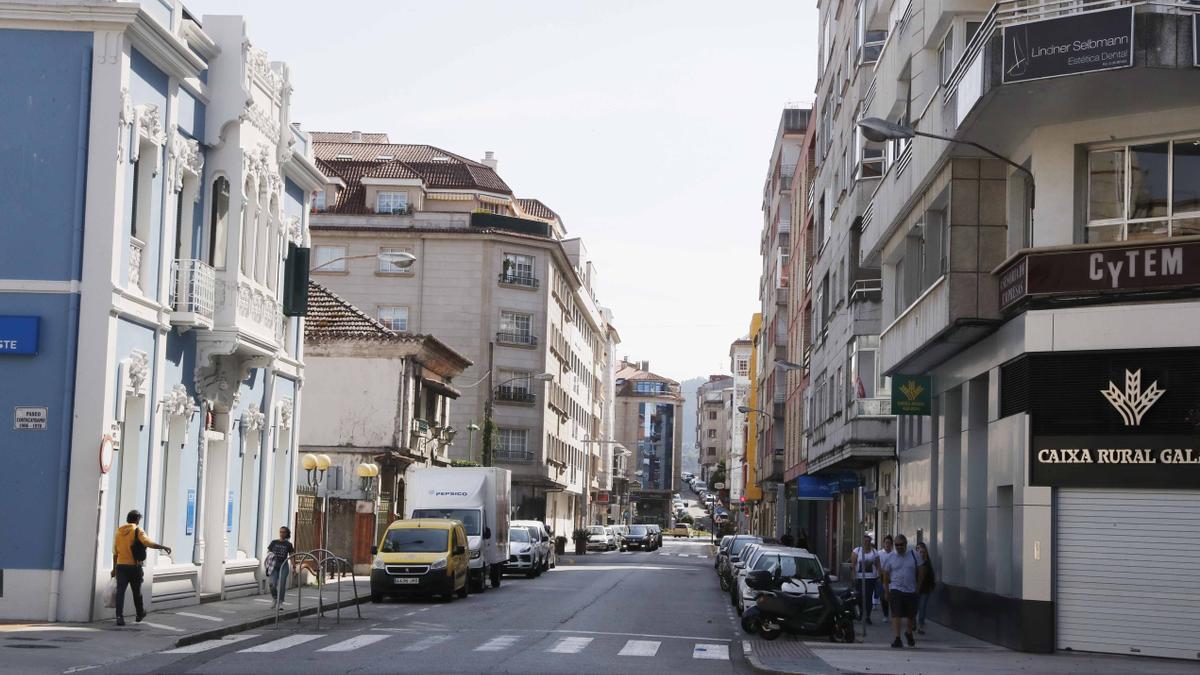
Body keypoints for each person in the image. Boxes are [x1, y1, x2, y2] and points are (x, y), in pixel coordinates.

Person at [111, 509, 171, 626]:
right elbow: (147, 542)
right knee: (136, 591)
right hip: (134, 566)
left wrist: (114, 569)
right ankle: (139, 613)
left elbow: (115, 553)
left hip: (121, 566)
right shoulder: (137, 530)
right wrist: (162, 546)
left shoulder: (118, 532)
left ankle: (119, 617)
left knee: (120, 592)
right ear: (137, 519)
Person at [880, 534, 925, 648]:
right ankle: (897, 638)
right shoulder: (891, 557)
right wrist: (886, 591)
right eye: (897, 545)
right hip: (895, 589)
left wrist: (918, 587)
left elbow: (921, 572)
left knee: (911, 615)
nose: (899, 547)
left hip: (911, 589)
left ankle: (909, 633)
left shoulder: (914, 555)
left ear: (906, 544)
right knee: (896, 613)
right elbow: (885, 575)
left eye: (901, 545)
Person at [850, 534, 881, 624]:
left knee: (868, 597)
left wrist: (879, 577)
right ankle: (861, 613)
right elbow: (853, 565)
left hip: (871, 578)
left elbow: (878, 565)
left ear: (870, 542)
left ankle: (868, 616)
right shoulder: (857, 551)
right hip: (860, 578)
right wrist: (853, 577)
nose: (866, 543)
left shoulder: (874, 552)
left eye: (868, 541)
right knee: (859, 597)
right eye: (865, 541)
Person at [265, 526, 295, 608]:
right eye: (280, 532)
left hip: (284, 565)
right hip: (274, 566)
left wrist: (294, 567)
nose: (281, 534)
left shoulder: (288, 544)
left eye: (283, 532)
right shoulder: (274, 542)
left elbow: (291, 556)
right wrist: (269, 558)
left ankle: (281, 602)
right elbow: (269, 553)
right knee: (272, 584)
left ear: (287, 534)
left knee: (282, 584)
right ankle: (275, 598)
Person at [915, 542, 936, 634]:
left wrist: (932, 586)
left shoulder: (927, 563)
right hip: (914, 589)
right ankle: (913, 624)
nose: (921, 553)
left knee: (922, 607)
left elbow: (931, 575)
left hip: (925, 589)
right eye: (919, 550)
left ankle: (920, 625)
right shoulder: (914, 563)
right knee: (914, 608)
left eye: (923, 551)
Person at [877, 534, 895, 619]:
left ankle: (894, 614)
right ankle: (886, 614)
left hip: (892, 578)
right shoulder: (879, 553)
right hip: (881, 577)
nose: (888, 544)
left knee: (892, 597)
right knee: (883, 597)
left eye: (889, 543)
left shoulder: (895, 554)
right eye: (886, 542)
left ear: (892, 544)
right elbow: (877, 565)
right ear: (884, 543)